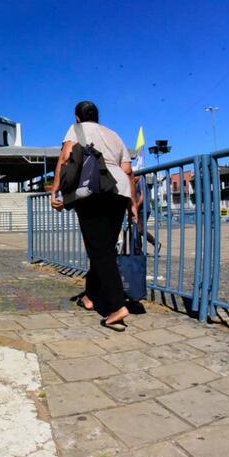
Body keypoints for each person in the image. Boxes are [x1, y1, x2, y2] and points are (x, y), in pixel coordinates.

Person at [51, 101, 138, 331]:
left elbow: (65, 158)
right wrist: (133, 204)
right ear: (98, 117)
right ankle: (90, 296)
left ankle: (117, 306)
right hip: (119, 192)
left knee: (99, 250)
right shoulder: (114, 135)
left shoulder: (76, 129)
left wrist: (55, 190)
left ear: (77, 117)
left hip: (93, 190)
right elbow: (128, 170)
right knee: (104, 248)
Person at [133, 175, 159, 253]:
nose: (132, 179)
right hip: (139, 210)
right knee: (136, 231)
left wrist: (136, 206)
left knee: (140, 229)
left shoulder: (141, 181)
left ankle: (155, 243)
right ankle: (138, 251)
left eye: (133, 176)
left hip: (144, 209)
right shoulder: (135, 182)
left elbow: (142, 196)